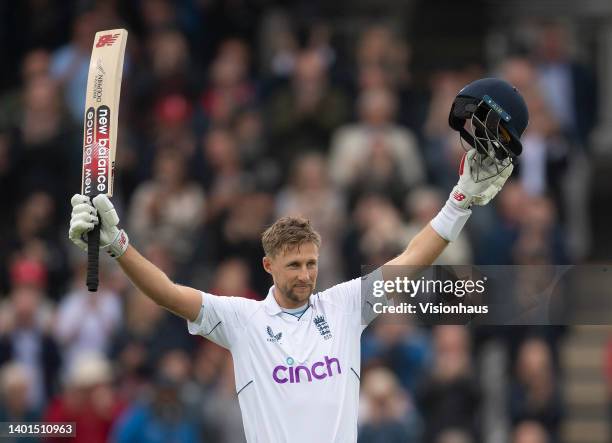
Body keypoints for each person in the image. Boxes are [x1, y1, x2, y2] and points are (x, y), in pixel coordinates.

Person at [68, 78, 528, 442]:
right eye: (294, 266)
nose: (306, 274)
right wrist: (117, 244)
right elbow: (167, 293)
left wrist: (461, 201)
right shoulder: (243, 320)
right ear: (268, 266)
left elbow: (412, 259)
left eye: (311, 263)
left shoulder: (345, 306)